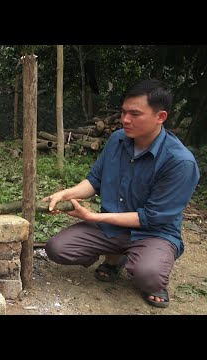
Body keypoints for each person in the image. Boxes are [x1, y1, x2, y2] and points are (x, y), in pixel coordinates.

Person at [43, 79, 200, 308]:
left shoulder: (180, 162)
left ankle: (151, 267)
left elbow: (151, 217)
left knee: (148, 276)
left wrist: (94, 217)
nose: (125, 119)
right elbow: (94, 181)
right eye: (124, 112)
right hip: (111, 227)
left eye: (135, 114)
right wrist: (65, 194)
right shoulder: (118, 140)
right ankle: (115, 256)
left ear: (160, 117)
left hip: (153, 233)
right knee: (57, 249)